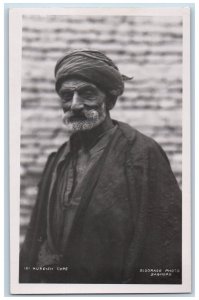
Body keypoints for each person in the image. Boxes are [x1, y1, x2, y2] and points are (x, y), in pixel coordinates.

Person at [19, 49, 182, 284]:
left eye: (87, 93)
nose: (75, 104)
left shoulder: (142, 155)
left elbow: (167, 243)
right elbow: (36, 239)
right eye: (67, 96)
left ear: (110, 99)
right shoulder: (58, 160)